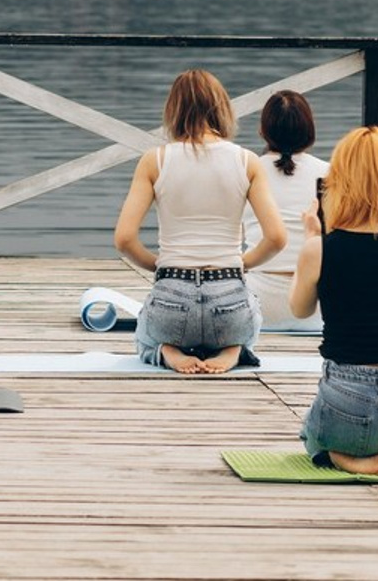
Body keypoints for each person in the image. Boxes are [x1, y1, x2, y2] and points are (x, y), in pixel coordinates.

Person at [114, 68, 288, 374]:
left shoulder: (154, 160)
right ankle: (236, 348)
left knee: (143, 334)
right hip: (228, 297)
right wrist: (240, 264)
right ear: (221, 107)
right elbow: (276, 238)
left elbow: (125, 239)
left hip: (172, 297)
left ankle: (165, 350)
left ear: (173, 111)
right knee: (251, 317)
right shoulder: (246, 160)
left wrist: (161, 265)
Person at [289, 126, 378, 476]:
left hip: (346, 398)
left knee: (311, 433)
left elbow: (300, 309)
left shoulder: (319, 248)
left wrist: (312, 238)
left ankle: (345, 456)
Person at [241, 90, 329, 332]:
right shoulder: (330, 172)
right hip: (317, 307)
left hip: (257, 303)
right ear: (310, 131)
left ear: (263, 130)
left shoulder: (246, 170)